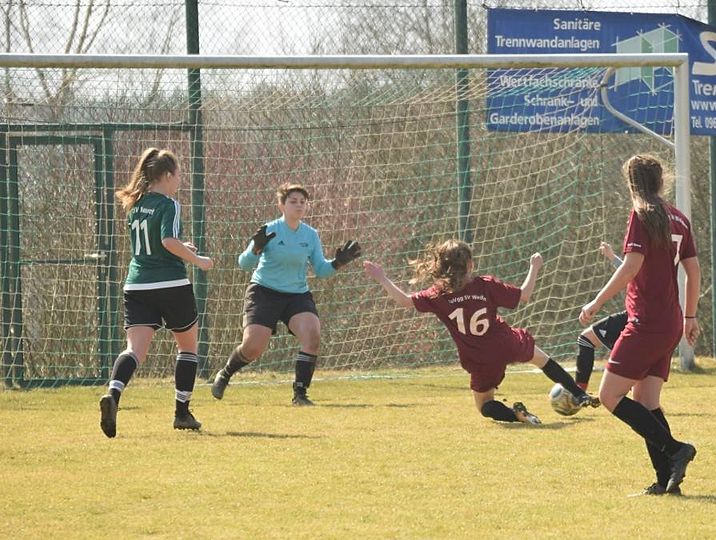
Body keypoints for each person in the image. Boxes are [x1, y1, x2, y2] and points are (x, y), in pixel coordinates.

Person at [363, 239, 600, 425]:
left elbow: (405, 301)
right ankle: (579, 394)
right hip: (505, 342)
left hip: (478, 357)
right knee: (542, 359)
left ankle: (515, 415)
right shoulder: (484, 285)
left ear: (441, 267)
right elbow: (525, 295)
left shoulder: (437, 295)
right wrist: (534, 267)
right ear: (470, 265)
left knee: (485, 406)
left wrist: (382, 278)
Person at [579, 154, 700, 495]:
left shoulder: (642, 214)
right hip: (670, 321)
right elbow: (693, 271)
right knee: (646, 401)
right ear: (660, 181)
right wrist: (690, 317)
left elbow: (631, 266)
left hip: (646, 322)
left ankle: (677, 449)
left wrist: (596, 302)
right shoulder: (679, 218)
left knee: (609, 395)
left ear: (632, 183)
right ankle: (666, 481)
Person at [99, 147, 215, 438]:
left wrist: (181, 246)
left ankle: (113, 394)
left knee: (134, 350)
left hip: (137, 285)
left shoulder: (135, 205)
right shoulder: (169, 204)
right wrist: (198, 260)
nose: (180, 181)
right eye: (178, 175)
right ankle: (182, 413)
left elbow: (155, 244)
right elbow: (166, 241)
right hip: (171, 284)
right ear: (166, 175)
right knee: (187, 348)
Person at [211, 183, 361, 406]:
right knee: (253, 347)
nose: (299, 205)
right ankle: (225, 374)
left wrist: (338, 263)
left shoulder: (311, 235)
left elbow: (321, 270)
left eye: (303, 202)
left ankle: (300, 394)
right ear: (281, 205)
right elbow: (243, 263)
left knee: (312, 336)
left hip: (296, 295)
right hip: (264, 292)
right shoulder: (269, 230)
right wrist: (255, 249)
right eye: (293, 201)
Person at [573, 241, 629, 391]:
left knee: (586, 340)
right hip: (658, 318)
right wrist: (612, 257)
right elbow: (628, 270)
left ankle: (579, 393)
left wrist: (597, 302)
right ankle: (579, 392)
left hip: (636, 315)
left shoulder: (645, 247)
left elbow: (629, 272)